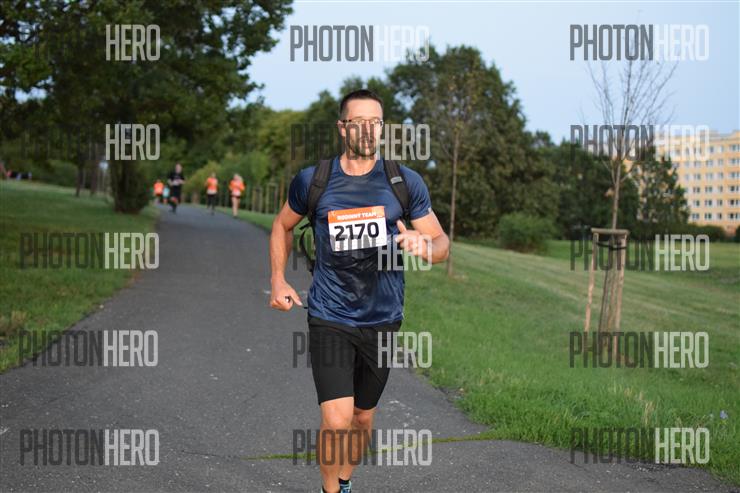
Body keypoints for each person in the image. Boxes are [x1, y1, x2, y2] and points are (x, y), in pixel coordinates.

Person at [269, 89, 449, 493]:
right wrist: (278, 279)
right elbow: (281, 225)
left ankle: (345, 480)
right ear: (342, 128)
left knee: (362, 418)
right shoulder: (314, 180)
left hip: (382, 319)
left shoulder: (403, 182)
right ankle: (330, 491)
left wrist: (425, 246)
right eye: (359, 122)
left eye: (375, 122)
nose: (368, 130)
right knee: (336, 420)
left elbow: (441, 243)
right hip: (330, 315)